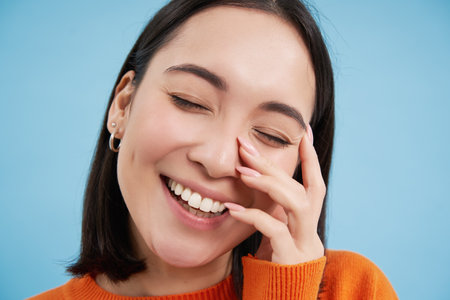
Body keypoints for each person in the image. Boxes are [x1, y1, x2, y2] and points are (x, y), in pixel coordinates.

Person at [30, 0, 398, 299]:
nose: (219, 161)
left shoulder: (354, 290)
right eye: (189, 101)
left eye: (271, 135)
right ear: (123, 105)